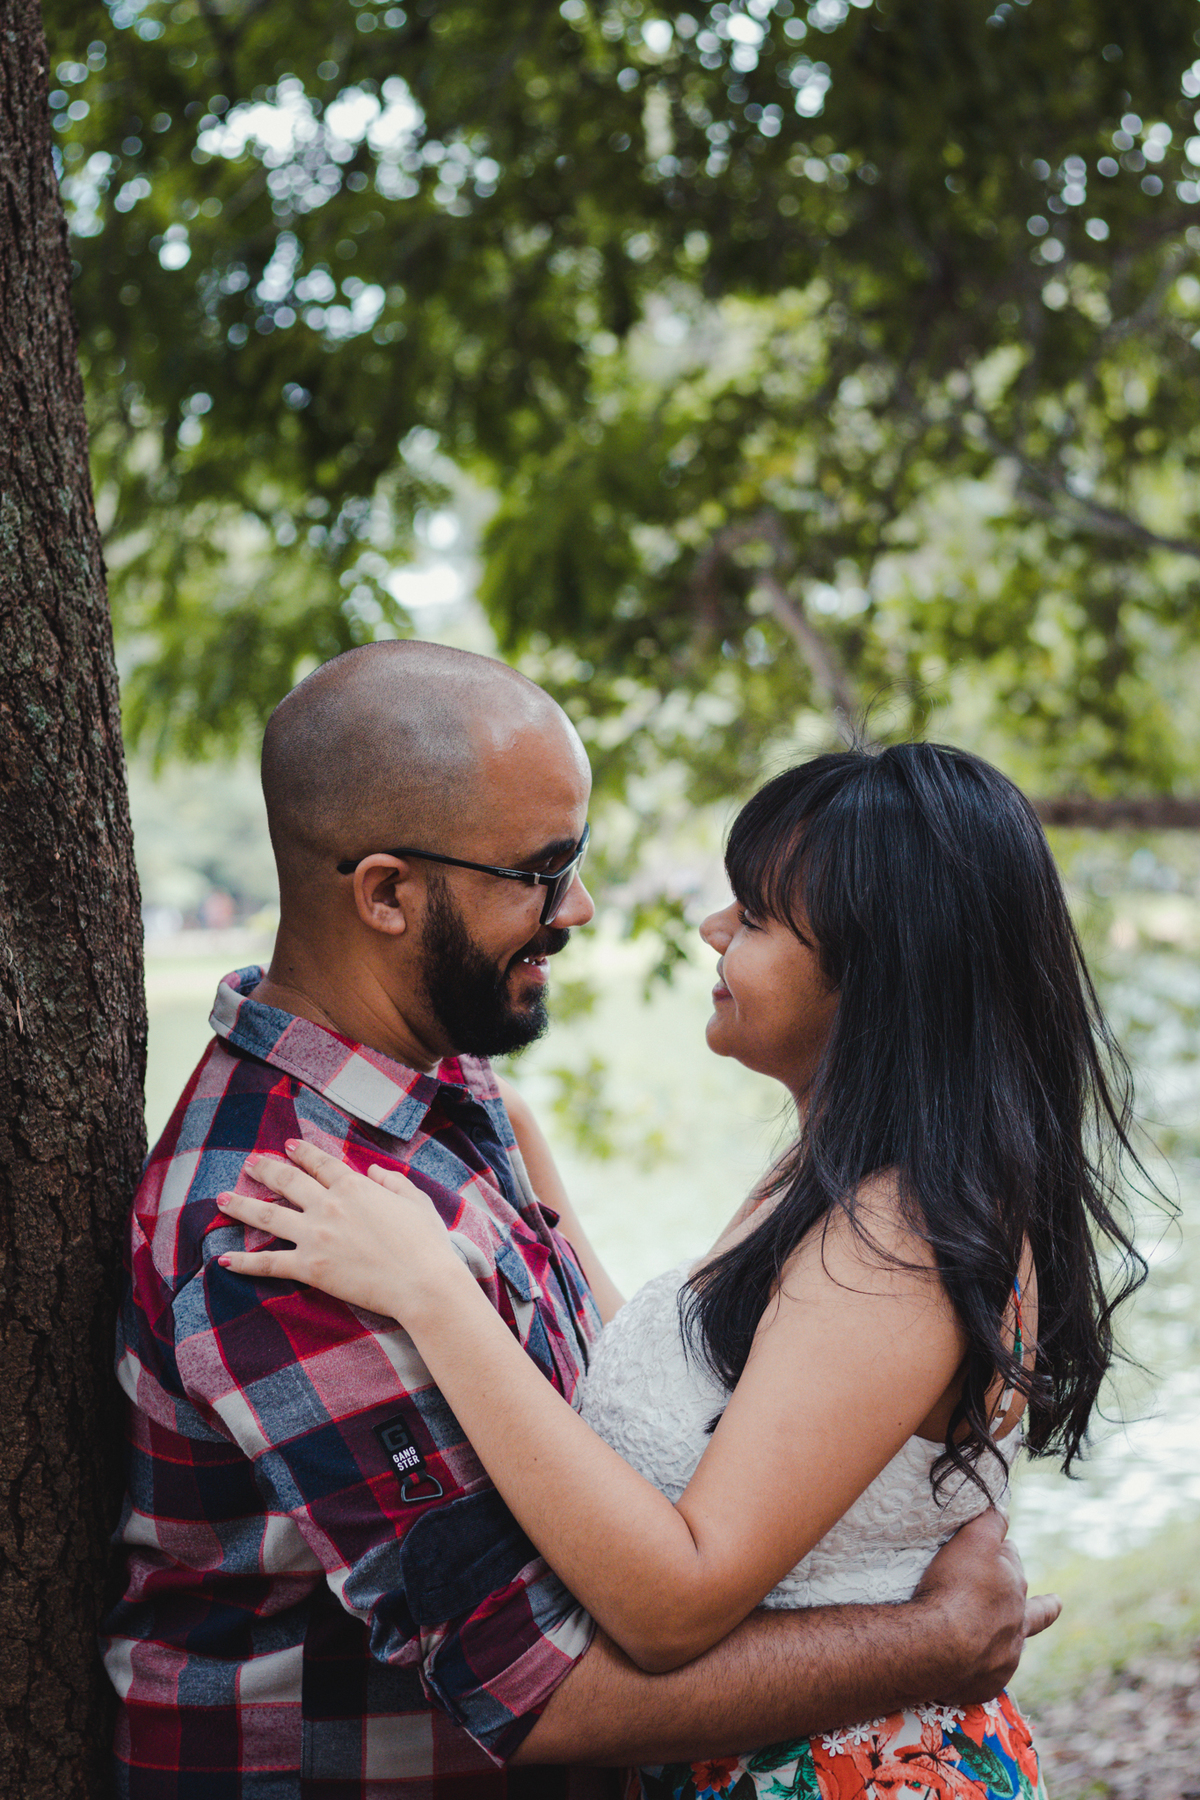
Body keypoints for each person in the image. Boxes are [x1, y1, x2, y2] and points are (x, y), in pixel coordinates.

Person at [102, 647, 1055, 1800]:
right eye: (541, 870)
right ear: (390, 894)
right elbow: (537, 1685)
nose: (584, 909)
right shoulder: (281, 1209)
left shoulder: (441, 1101)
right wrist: (935, 1645)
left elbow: (617, 1407)